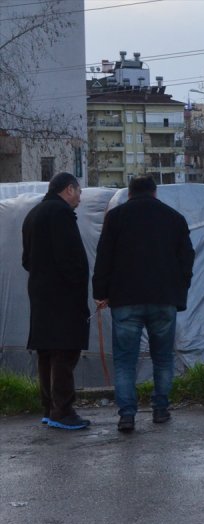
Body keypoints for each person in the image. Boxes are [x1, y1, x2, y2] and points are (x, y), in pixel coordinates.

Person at [93, 176, 195, 433]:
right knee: (163, 358)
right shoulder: (174, 218)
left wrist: (101, 292)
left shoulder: (115, 218)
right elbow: (187, 260)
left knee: (125, 361)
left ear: (129, 193)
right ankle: (160, 410)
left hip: (125, 300)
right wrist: (179, 292)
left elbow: (104, 257)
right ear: (155, 192)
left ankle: (127, 415)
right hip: (164, 300)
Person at [21, 172, 91, 430]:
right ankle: (64, 411)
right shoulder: (60, 214)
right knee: (64, 350)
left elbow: (26, 260)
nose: (80, 199)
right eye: (79, 192)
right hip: (64, 297)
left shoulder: (33, 214)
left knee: (47, 352)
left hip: (40, 295)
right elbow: (69, 257)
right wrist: (77, 283)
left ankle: (50, 408)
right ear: (69, 189)